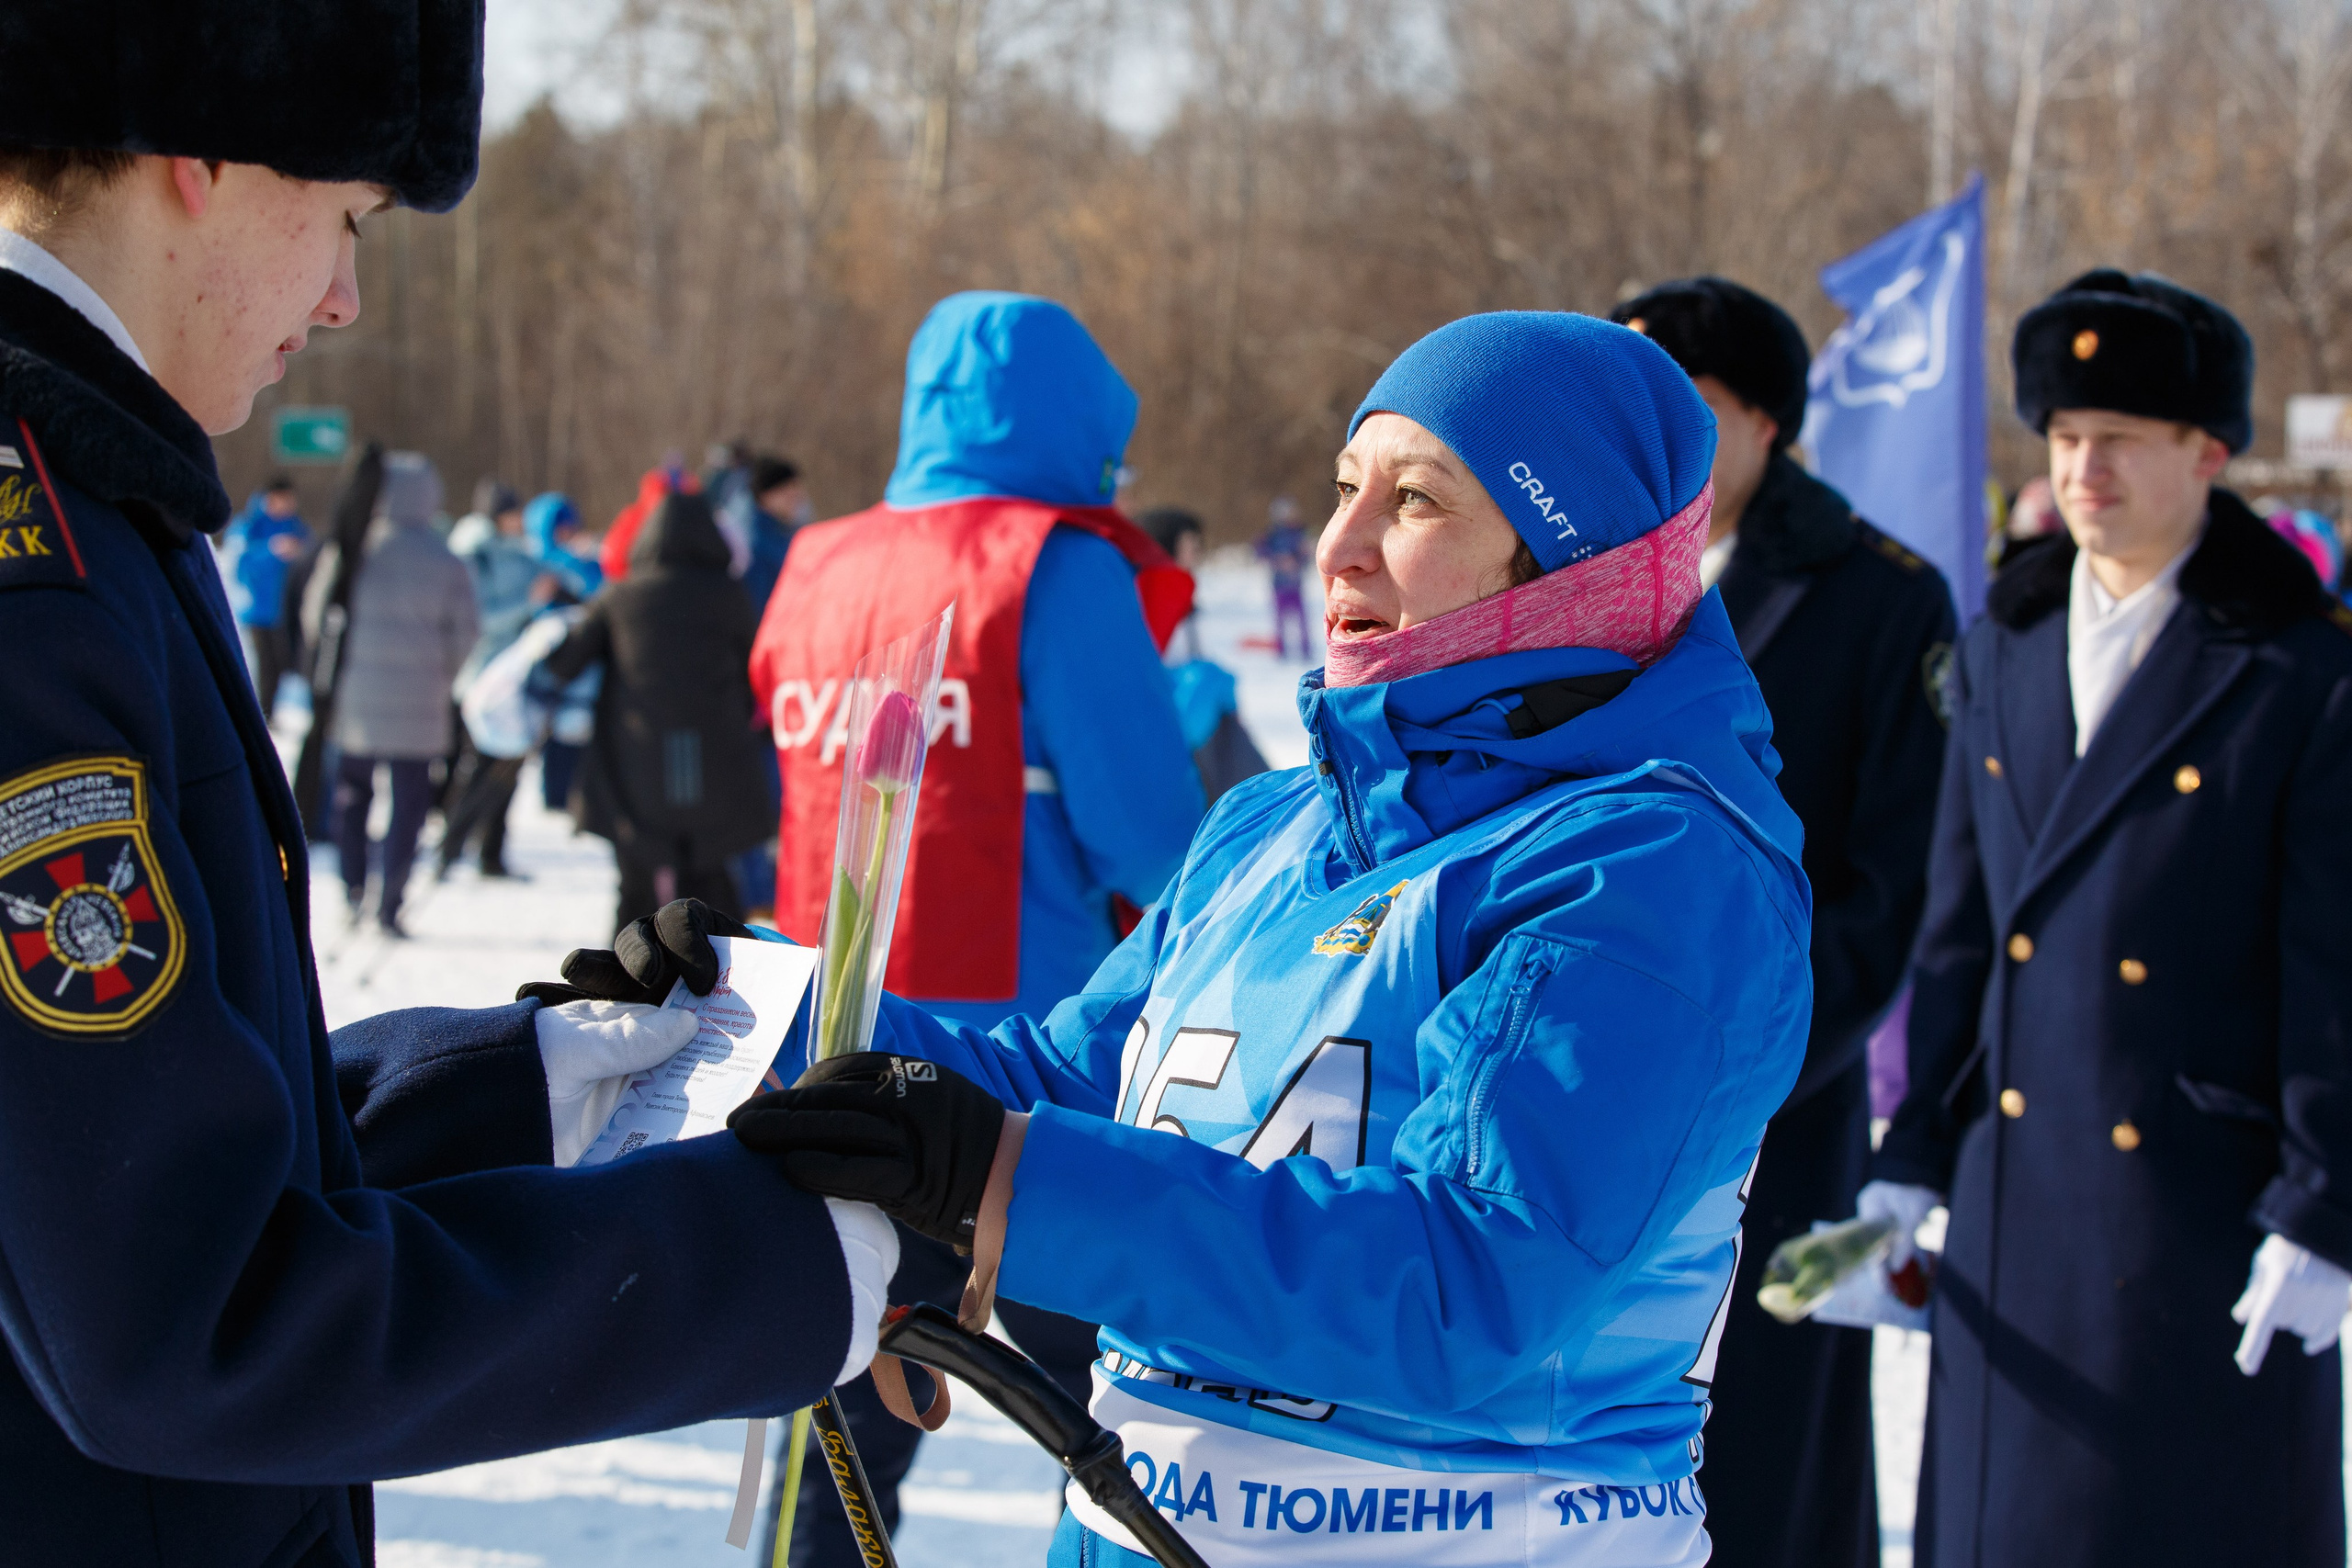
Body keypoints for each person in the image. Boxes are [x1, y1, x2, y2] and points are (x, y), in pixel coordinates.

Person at [0, 10, 895, 1562]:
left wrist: (517, 1086)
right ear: (206, 155)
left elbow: (103, 1139)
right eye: (346, 218)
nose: (345, 297)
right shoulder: (39, 574)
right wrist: (775, 1262)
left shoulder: (93, 501)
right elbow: (181, 1314)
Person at [731, 310, 1814, 1567]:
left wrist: (1002, 1172)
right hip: (1139, 1533)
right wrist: (753, 1008)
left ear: (1562, 560)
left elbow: (1470, 1280)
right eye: (1347, 486)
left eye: (1415, 501)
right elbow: (1082, 1072)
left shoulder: (1651, 867)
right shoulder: (1273, 822)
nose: (1340, 547)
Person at [1860, 270, 2352, 1566]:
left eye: (2121, 438)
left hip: (2200, 1220)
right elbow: (1960, 926)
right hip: (2013, 1207)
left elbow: (2336, 971)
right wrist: (1912, 1148)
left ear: (2209, 451)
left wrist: (2326, 1204)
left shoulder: (2301, 669)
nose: (2084, 468)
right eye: (2066, 436)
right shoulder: (2005, 640)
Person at [748, 291, 1205, 1566]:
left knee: (842, 1430)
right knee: (1140, 1419)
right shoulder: (1057, 564)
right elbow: (1159, 842)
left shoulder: (815, 560)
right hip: (1030, 1081)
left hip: (835, 1066)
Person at [1609, 277, 1956, 1568]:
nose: (1649, 437)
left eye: (1682, 406)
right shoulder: (1561, 567)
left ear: (1764, 421)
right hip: (1574, 1091)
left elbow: (1892, 883)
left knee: (1766, 1461)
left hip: (1774, 1102)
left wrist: (1738, 1064)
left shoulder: (1882, 597)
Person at [543, 491, 774, 932]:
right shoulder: (731, 596)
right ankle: (721, 987)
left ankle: (628, 982)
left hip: (637, 762)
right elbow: (760, 670)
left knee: (635, 888)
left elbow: (565, 665)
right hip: (716, 765)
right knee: (711, 888)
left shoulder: (621, 597)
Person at [301, 451, 477, 935]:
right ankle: (390, 902)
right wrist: (441, 674)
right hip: (422, 704)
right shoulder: (446, 559)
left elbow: (316, 618)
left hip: (357, 703)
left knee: (352, 796)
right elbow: (466, 634)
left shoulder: (353, 549)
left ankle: (353, 887)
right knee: (409, 804)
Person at [440, 479, 547, 880]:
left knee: (509, 767)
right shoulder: (474, 555)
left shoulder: (518, 552)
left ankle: (490, 853)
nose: (519, 520)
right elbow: (479, 618)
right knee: (482, 767)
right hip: (484, 679)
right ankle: (451, 848)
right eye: (512, 512)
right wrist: (529, 602)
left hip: (514, 679)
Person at [1140, 504, 1272, 804]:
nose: (1196, 550)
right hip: (1183, 711)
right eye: (1190, 542)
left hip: (1180, 708)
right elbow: (1162, 652)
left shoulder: (1158, 583)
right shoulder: (1168, 584)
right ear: (1168, 542)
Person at [220, 473, 309, 717]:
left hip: (286, 609)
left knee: (283, 664)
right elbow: (237, 561)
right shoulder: (249, 524)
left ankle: (270, 713)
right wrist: (272, 550)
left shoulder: (296, 526)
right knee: (264, 666)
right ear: (270, 498)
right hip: (256, 609)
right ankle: (261, 715)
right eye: (283, 500)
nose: (287, 506)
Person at [1257, 492, 1312, 658]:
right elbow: (1260, 551)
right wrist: (1276, 560)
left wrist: (1297, 560)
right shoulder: (1271, 534)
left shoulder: (1299, 533)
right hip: (1279, 585)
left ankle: (1305, 649)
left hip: (1295, 584)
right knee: (1280, 620)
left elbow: (1306, 556)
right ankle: (1282, 650)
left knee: (1301, 619)